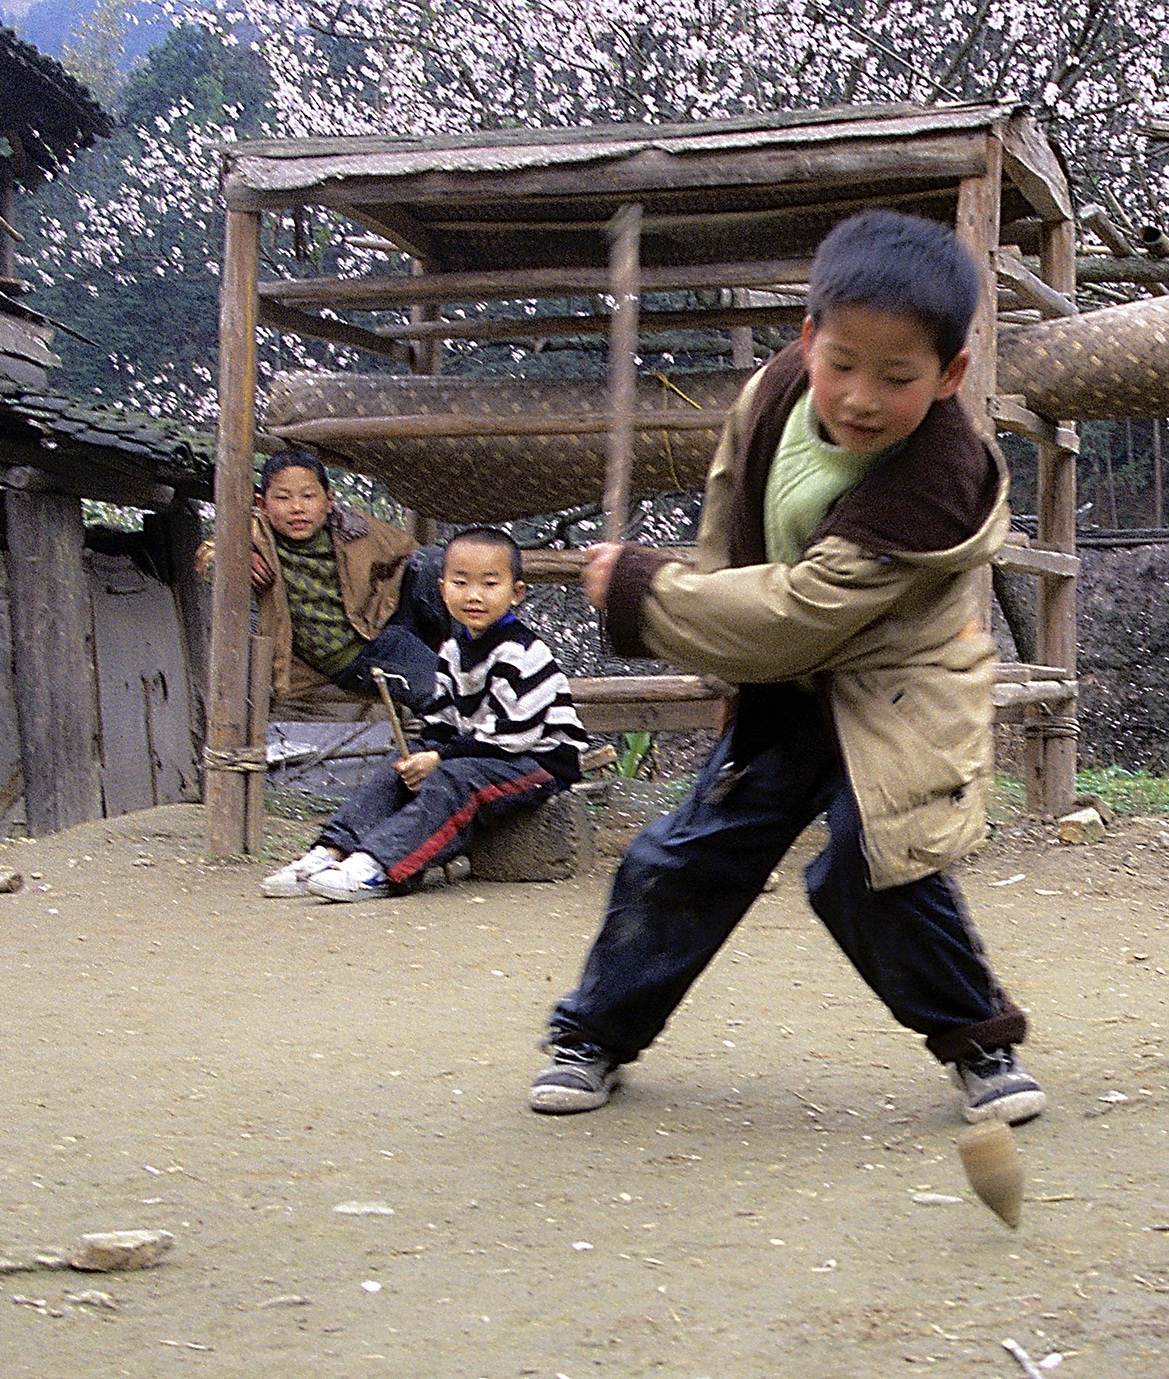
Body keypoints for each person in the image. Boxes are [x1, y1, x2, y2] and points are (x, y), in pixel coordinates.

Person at [529, 208, 1046, 1126]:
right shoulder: (772, 393)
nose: (859, 396)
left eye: (898, 377)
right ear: (808, 340)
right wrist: (726, 674)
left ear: (949, 374)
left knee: (874, 860)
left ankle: (980, 1044)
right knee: (685, 854)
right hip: (782, 676)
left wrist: (643, 592)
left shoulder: (940, 476)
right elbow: (729, 529)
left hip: (900, 687)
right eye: (842, 363)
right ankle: (595, 1034)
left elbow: (804, 612)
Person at [263, 526, 589, 902]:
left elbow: (512, 737)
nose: (474, 595)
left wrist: (439, 758)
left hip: (538, 762)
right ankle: (329, 852)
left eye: (489, 584)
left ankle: (377, 868)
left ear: (516, 593)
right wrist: (423, 755)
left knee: (455, 779)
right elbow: (442, 720)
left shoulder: (522, 652)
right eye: (461, 582)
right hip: (481, 754)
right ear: (442, 588)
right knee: (398, 765)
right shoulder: (452, 650)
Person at [196, 448, 450, 710]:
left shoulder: (350, 526)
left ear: (329, 500)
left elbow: (410, 552)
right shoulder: (253, 534)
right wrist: (237, 557)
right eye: (283, 498)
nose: (297, 508)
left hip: (383, 627)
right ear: (262, 504)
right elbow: (206, 556)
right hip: (354, 658)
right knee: (440, 688)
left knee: (432, 562)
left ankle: (475, 651)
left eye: (308, 496)